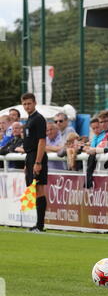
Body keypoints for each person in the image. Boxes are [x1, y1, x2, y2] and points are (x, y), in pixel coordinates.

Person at [21, 93, 48, 233]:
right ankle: (37, 224)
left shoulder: (38, 119)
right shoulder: (29, 119)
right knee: (35, 190)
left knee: (39, 189)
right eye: (24, 104)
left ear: (35, 103)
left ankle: (40, 225)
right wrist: (28, 163)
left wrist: (38, 161)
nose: (27, 106)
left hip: (37, 157)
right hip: (30, 157)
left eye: (29, 103)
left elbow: (42, 141)